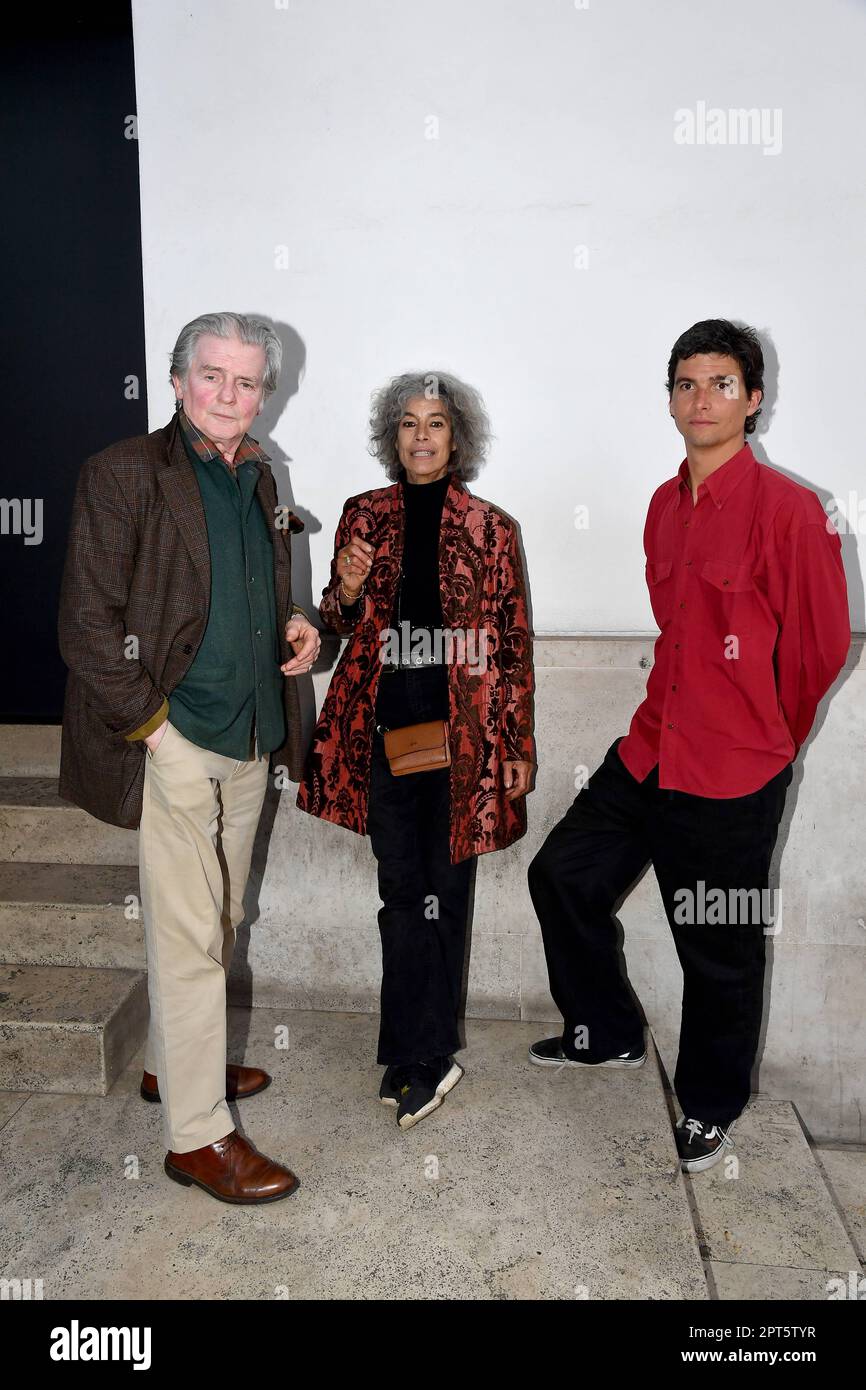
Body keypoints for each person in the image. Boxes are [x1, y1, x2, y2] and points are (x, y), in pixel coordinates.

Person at [527, 319, 850, 1173]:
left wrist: (762, 735)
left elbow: (818, 651)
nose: (700, 399)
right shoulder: (664, 507)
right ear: (669, 399)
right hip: (650, 749)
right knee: (561, 875)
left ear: (753, 399)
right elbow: (677, 632)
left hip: (733, 772)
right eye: (685, 384)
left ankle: (710, 1103)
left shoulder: (792, 512)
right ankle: (609, 1033)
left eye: (719, 383)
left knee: (717, 944)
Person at [58, 311, 320, 1203]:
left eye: (248, 382)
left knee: (220, 921)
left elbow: (254, 592)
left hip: (251, 738)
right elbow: (86, 627)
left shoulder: (258, 474)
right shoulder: (125, 473)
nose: (230, 396)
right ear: (176, 380)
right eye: (213, 376)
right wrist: (156, 734)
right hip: (174, 741)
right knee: (187, 938)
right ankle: (198, 1140)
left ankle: (176, 1067)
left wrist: (298, 627)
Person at [297, 371, 535, 1128]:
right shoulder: (363, 514)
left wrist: (516, 742)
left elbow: (513, 646)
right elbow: (333, 620)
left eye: (436, 422)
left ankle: (425, 1055)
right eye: (407, 423)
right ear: (391, 437)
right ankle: (413, 1051)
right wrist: (343, 585)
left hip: (464, 738)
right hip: (383, 730)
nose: (422, 435)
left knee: (447, 891)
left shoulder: (492, 528)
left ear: (457, 437)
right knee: (402, 892)